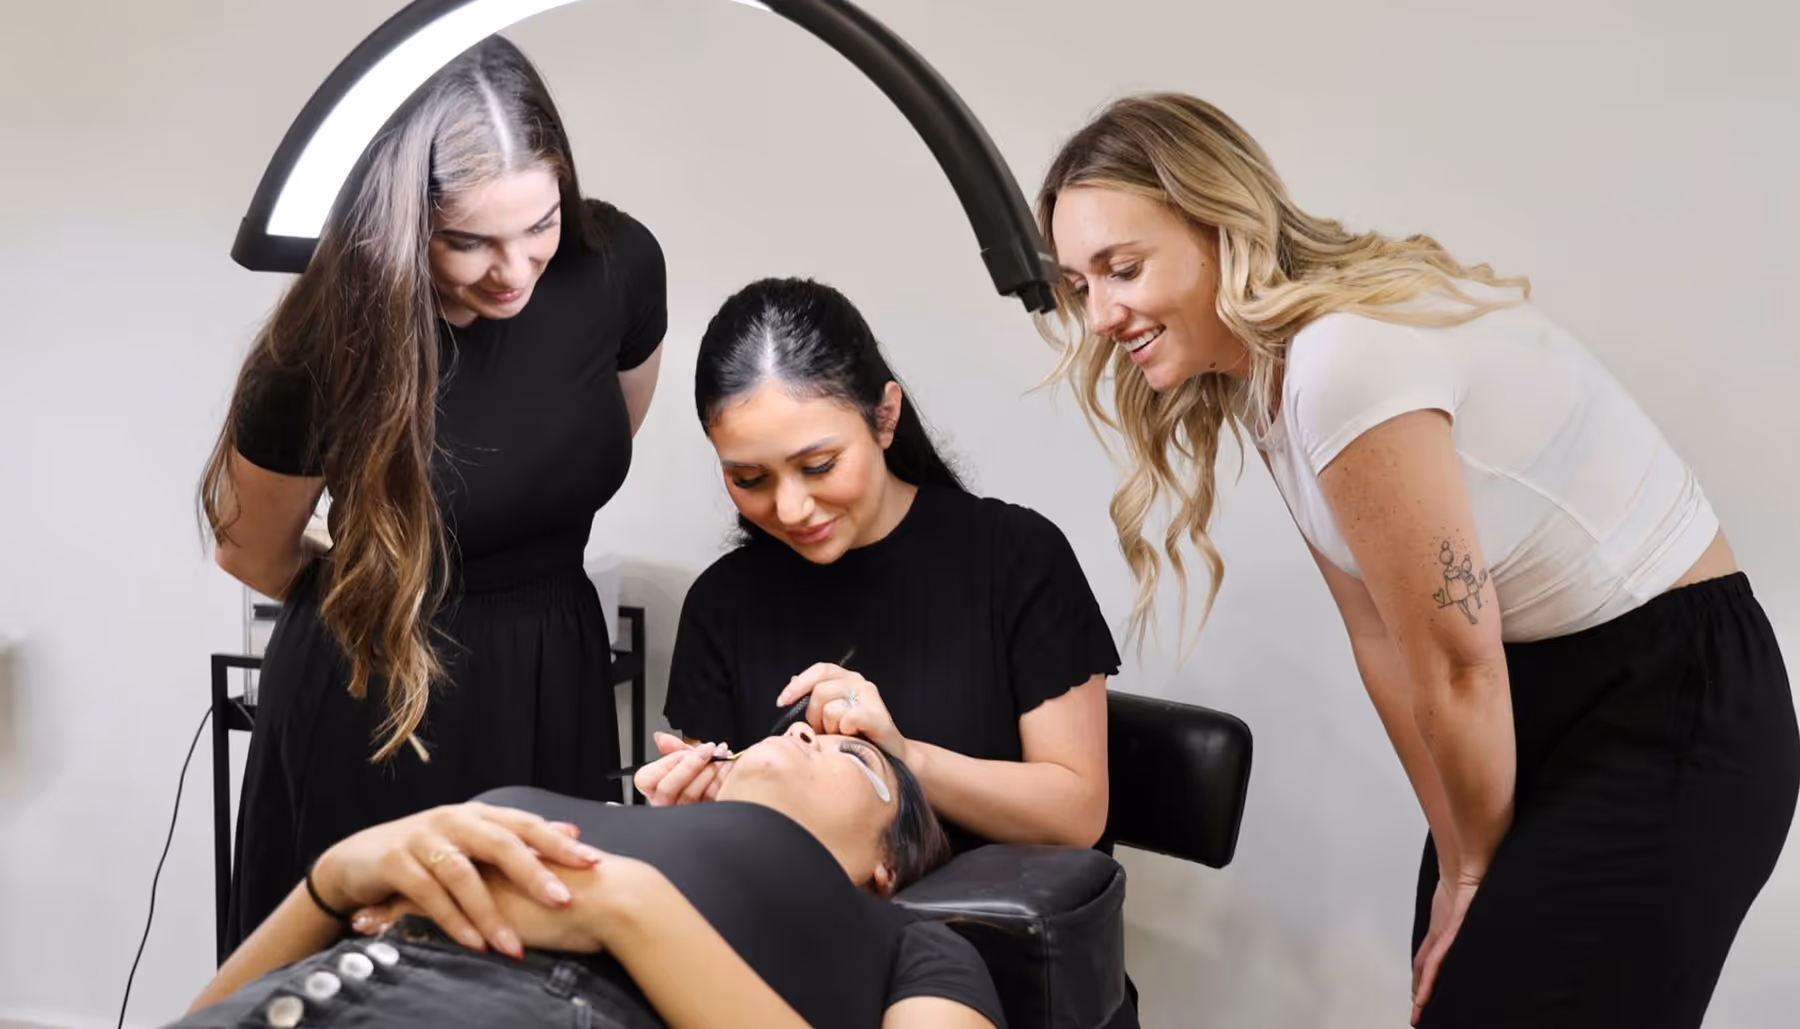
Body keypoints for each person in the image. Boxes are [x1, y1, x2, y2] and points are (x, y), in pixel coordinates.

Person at [1033, 92, 1799, 1029]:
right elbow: (1383, 640)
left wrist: (1476, 867)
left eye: (1122, 267)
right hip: (1540, 694)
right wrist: (1457, 855)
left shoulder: (1340, 361)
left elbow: (1454, 663)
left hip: (1674, 701)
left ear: (1217, 222)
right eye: (1079, 283)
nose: (1101, 313)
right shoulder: (1268, 377)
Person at [198, 35, 668, 950]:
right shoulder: (327, 336)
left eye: (540, 225)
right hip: (382, 685)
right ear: (404, 219)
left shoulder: (618, 267)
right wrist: (386, 575)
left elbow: (592, 441)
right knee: (383, 977)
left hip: (553, 663)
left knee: (548, 977)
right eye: (469, 241)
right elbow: (250, 546)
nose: (516, 269)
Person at [651, 277, 1121, 861]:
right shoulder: (722, 603)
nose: (790, 508)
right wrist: (690, 819)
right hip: (793, 940)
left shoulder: (1016, 558)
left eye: (819, 465)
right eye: (750, 480)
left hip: (980, 942)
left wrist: (904, 757)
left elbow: (1076, 813)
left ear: (885, 417)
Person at [173, 722, 1005, 1029]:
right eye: (794, 729)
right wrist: (330, 878)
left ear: (886, 866)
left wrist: (626, 907)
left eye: (856, 755)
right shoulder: (599, 817)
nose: (804, 732)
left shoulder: (913, 944)